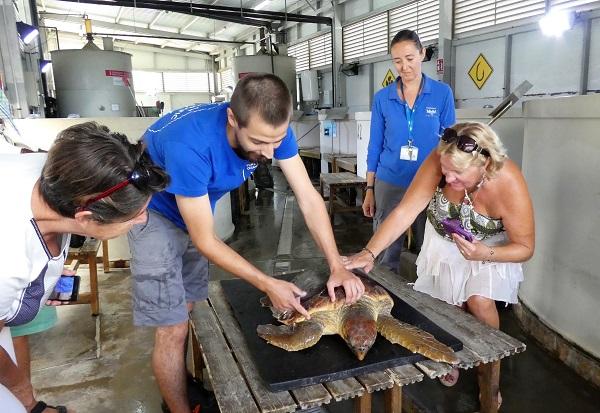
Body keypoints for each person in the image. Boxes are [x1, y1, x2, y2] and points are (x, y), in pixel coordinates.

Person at [128, 73, 365, 413]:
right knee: (172, 327)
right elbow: (205, 239)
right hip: (152, 213)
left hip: (194, 207)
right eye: (258, 142)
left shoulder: (270, 130)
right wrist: (267, 283)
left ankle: (182, 379)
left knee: (189, 305)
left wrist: (337, 265)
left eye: (277, 140)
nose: (269, 152)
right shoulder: (190, 145)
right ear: (231, 119)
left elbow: (309, 199)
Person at [346, 121, 534, 409]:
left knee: (479, 301)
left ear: (484, 164)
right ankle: (451, 356)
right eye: (445, 171)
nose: (447, 178)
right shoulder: (443, 158)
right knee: (447, 305)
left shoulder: (508, 180)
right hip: (444, 240)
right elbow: (406, 210)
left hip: (489, 247)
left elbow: (525, 248)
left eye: (457, 174)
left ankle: (489, 375)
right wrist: (369, 252)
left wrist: (484, 253)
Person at [0, 122, 168, 413]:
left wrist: (46, 273)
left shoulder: (62, 173)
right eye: (136, 216)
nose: (142, 221)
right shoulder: (8, 256)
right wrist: (25, 396)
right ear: (87, 219)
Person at [363, 29, 455, 274]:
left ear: (422, 54)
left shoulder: (441, 93)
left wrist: (450, 182)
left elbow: (450, 142)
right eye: (397, 61)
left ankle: (426, 299)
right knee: (385, 248)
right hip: (390, 180)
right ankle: (383, 297)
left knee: (430, 244)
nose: (404, 66)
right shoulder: (383, 98)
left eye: (410, 58)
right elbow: (375, 145)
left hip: (430, 181)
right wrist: (370, 188)